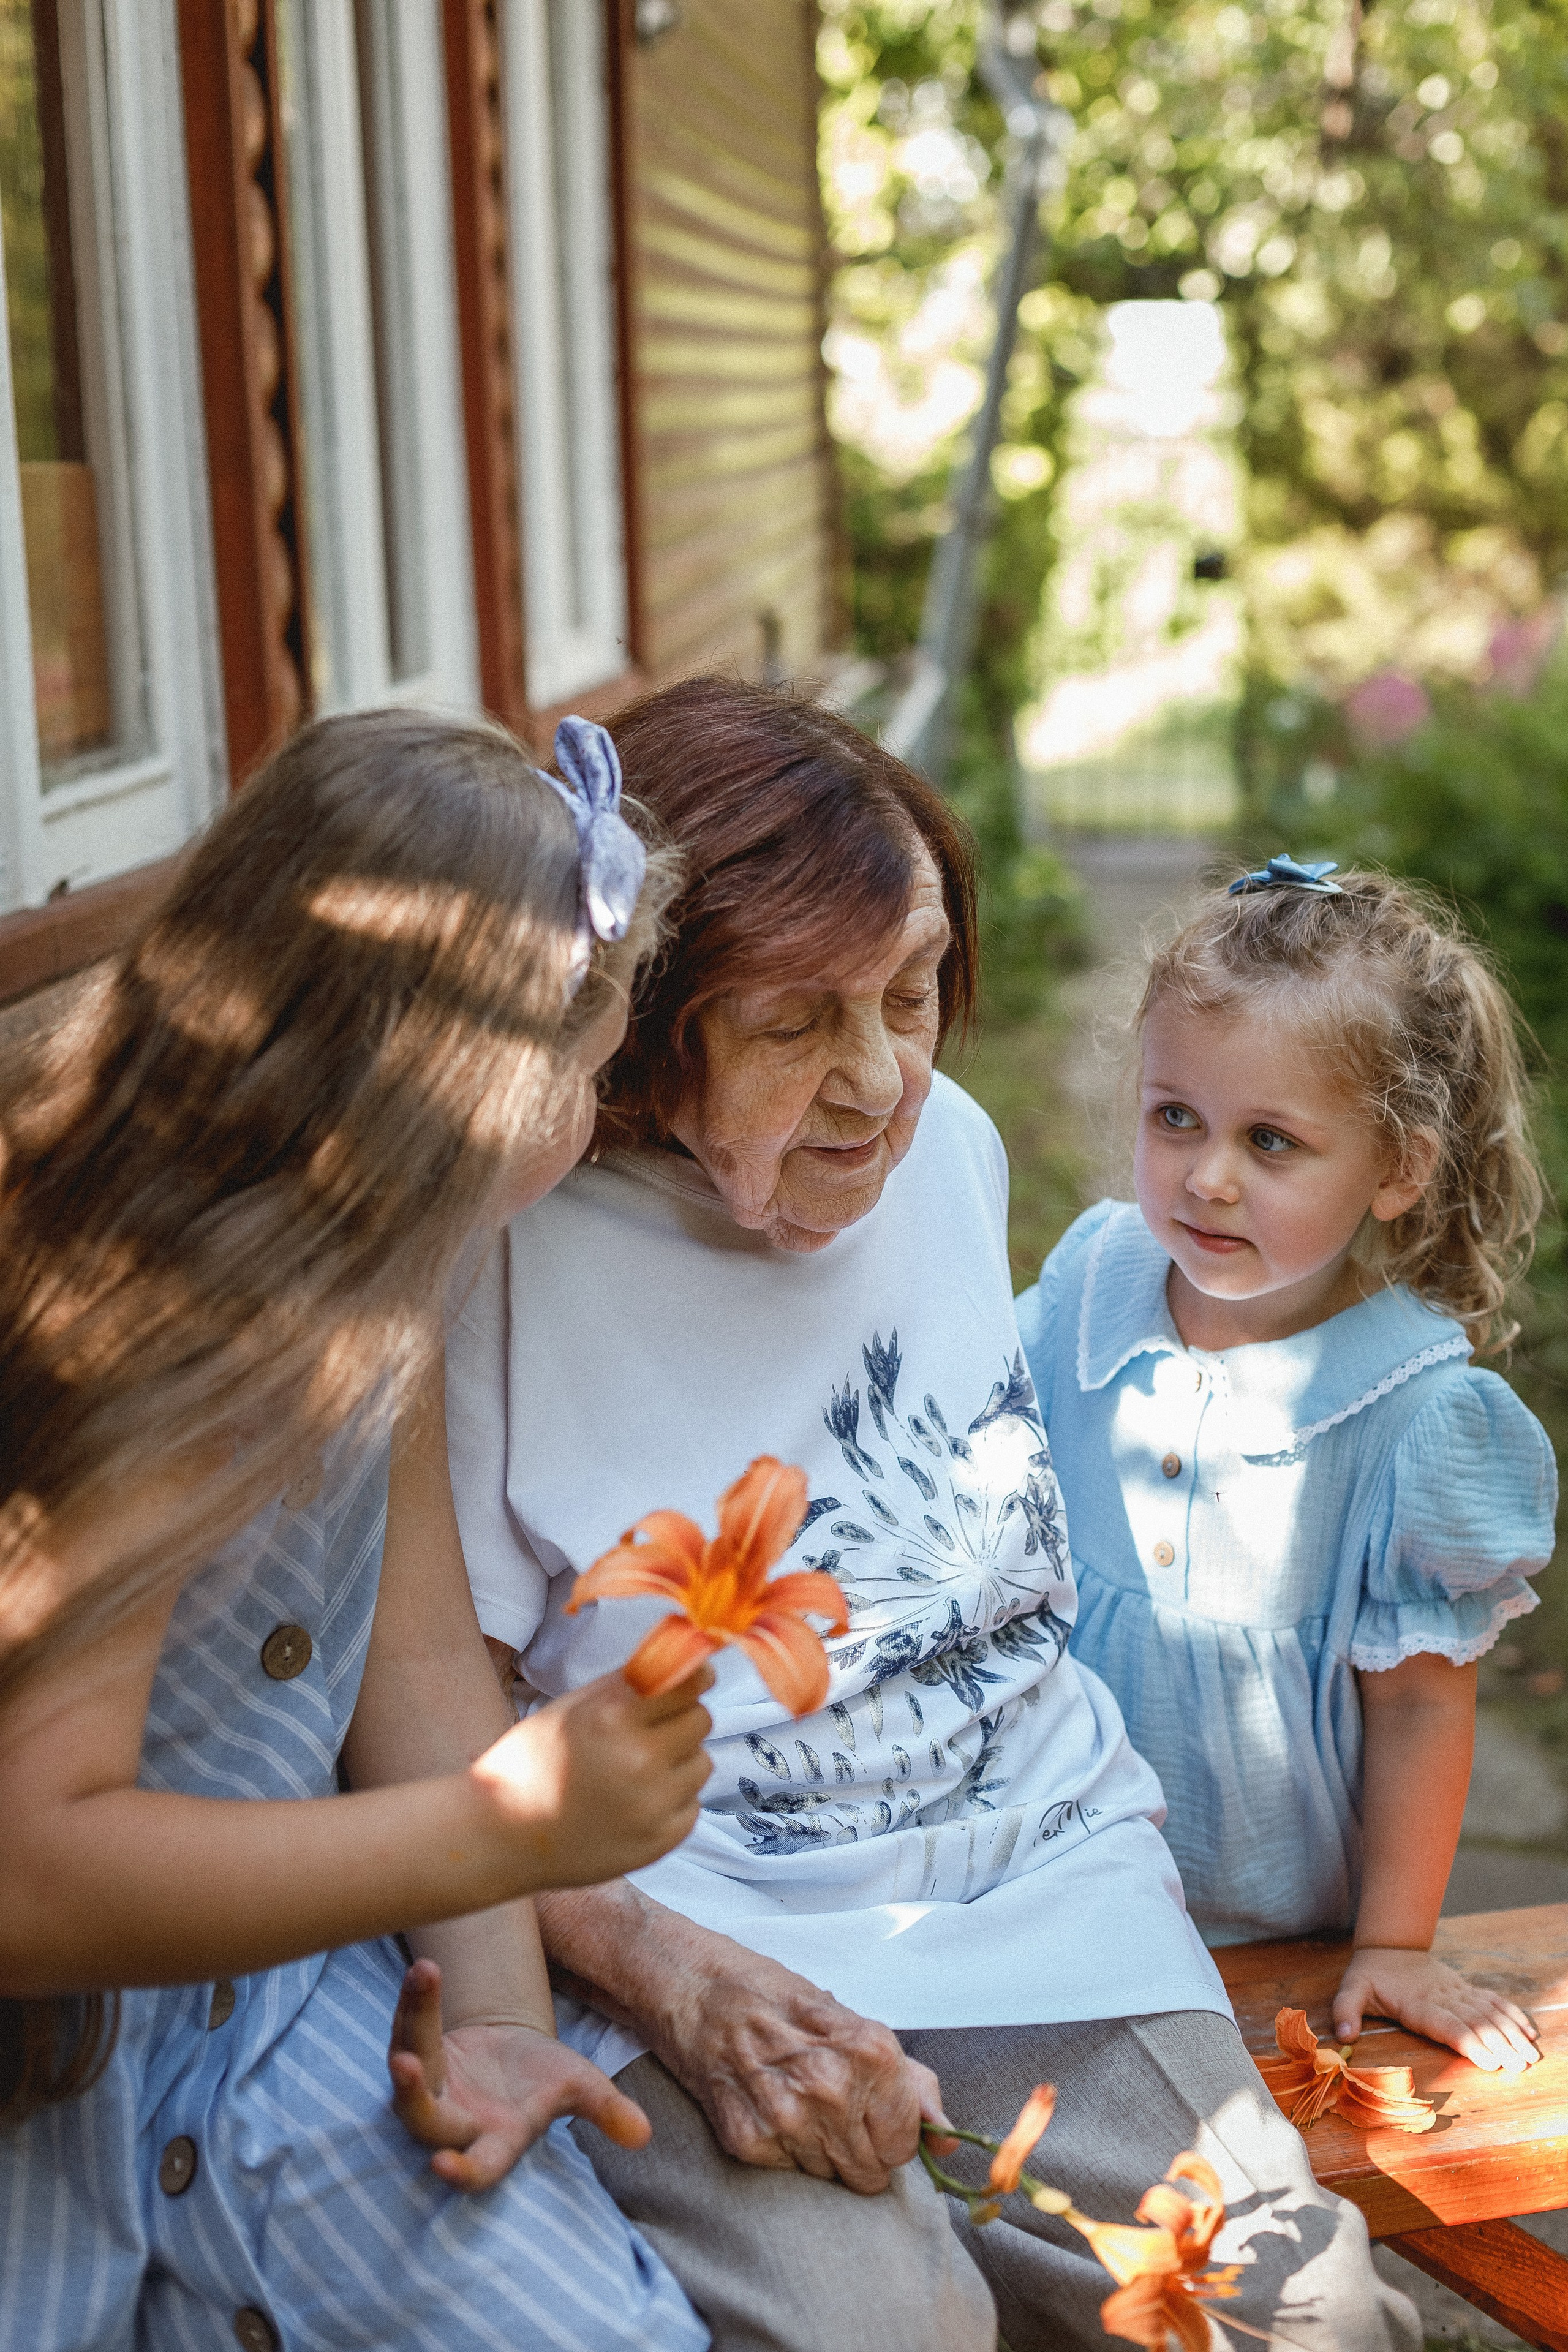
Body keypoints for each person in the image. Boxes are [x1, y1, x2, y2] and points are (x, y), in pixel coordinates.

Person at [446, 684, 1419, 2352]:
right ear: (646, 1019)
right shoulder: (506, 1253)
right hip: (700, 1934)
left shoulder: (948, 1149)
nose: (883, 1082)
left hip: (1039, 1886)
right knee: (879, 2329)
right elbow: (428, 1729)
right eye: (796, 1025)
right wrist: (653, 1964)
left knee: (1306, 2321)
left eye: (911, 996)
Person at [0, 710, 712, 2352]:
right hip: (50, 2091)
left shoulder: (387, 1260)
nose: (596, 1120)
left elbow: (415, 1669)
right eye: (591, 1076)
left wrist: (501, 2026)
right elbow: (33, 1874)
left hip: (270, 2023)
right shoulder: (137, 1334)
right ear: (470, 1084)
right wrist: (512, 1836)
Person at [1017, 854, 1554, 2071]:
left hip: (1270, 1926)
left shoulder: (1411, 1414)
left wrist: (1398, 1942)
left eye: (1269, 1141)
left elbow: (1419, 1702)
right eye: (1174, 1120)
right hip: (1052, 1874)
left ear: (1396, 1170)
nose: (1206, 1176)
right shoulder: (1091, 1289)